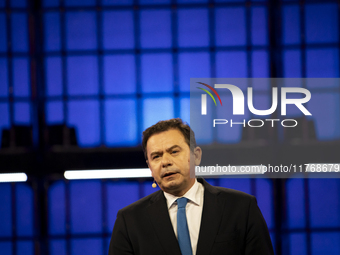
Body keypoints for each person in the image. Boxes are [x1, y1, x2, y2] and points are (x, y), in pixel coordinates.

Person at [109, 118, 274, 255]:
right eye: (156, 156)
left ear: (196, 156)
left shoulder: (241, 208)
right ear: (150, 166)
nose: (165, 162)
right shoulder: (130, 220)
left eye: (174, 152)